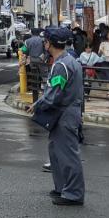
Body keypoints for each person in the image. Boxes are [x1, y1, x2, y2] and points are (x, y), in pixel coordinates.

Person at [27, 27, 85, 206]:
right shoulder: (70, 60)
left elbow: (54, 95)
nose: (44, 43)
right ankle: (62, 188)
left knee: (67, 154)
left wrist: (38, 105)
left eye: (46, 41)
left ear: (50, 44)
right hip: (67, 112)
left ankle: (73, 193)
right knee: (57, 152)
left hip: (64, 113)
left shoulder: (61, 66)